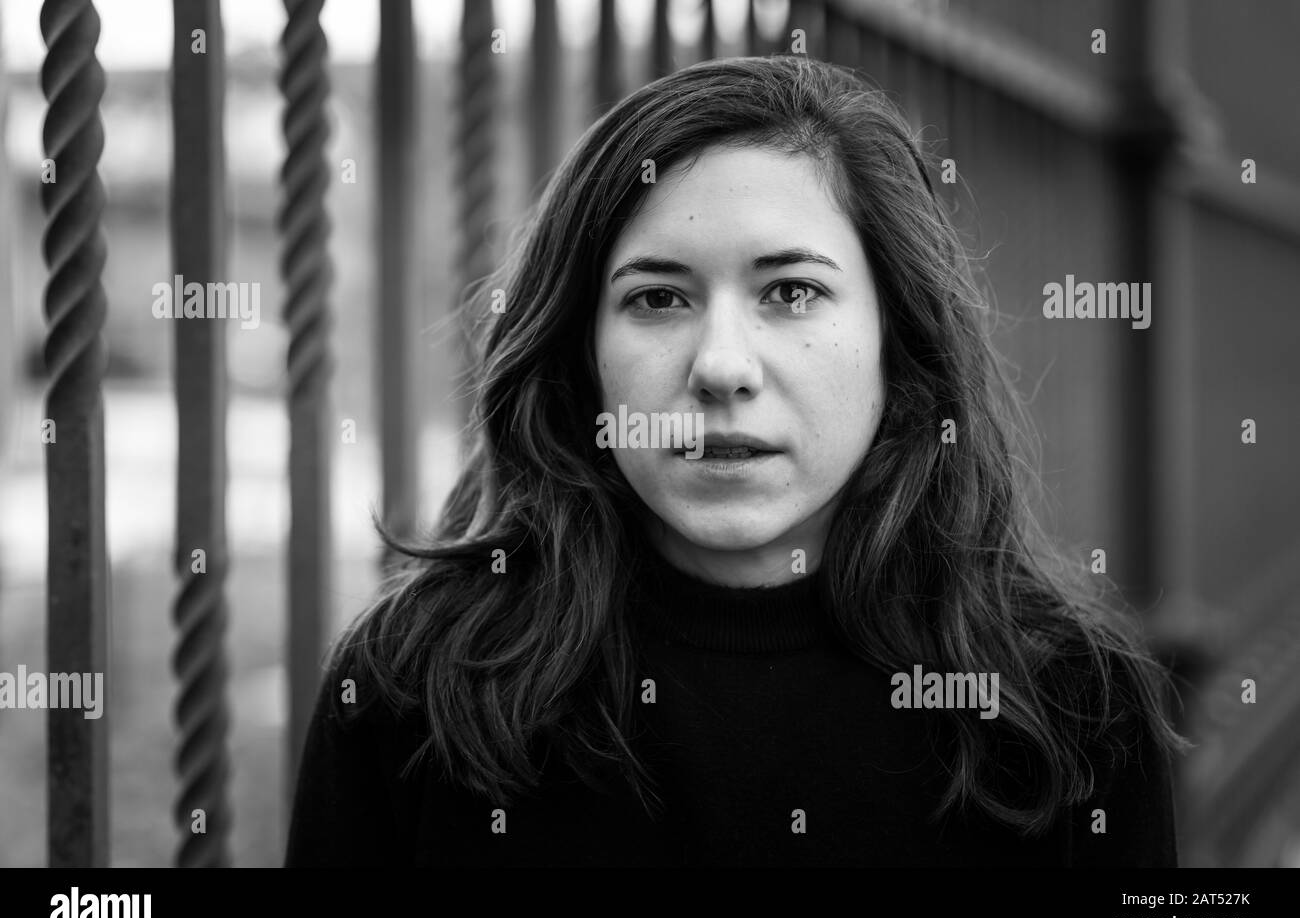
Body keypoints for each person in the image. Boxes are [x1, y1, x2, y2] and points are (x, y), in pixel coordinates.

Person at [284, 54, 1186, 867]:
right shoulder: (417, 687)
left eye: (791, 291)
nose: (720, 365)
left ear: (897, 337)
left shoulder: (1063, 701)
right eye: (658, 297)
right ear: (580, 349)